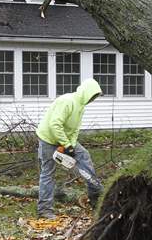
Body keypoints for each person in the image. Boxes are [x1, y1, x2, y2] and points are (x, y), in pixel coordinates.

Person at [35, 78, 104, 218]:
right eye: (92, 96)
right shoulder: (67, 101)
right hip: (48, 139)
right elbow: (55, 125)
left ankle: (95, 195)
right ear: (86, 92)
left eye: (94, 97)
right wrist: (66, 145)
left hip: (64, 138)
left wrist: (70, 146)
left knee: (84, 156)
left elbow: (75, 130)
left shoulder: (81, 106)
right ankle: (44, 210)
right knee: (48, 173)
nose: (92, 99)